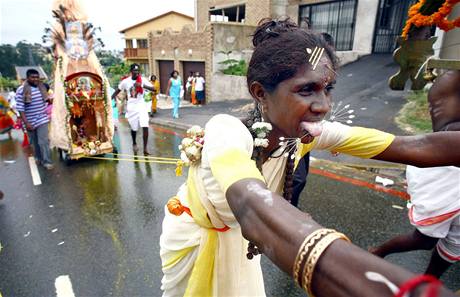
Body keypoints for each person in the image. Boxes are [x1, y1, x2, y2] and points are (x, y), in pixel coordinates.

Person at [159, 19, 460, 296]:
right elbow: (252, 205)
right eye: (307, 90)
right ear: (260, 93)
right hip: (194, 240)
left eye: (328, 89)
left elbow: (415, 146)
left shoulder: (302, 136)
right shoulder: (226, 132)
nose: (324, 105)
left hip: (236, 243)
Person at [370, 70, 460, 278]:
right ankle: (377, 252)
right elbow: (444, 126)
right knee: (425, 240)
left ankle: (429, 282)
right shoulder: (452, 80)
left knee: (455, 244)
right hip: (447, 180)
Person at [111, 64, 156, 155]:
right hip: (132, 107)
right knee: (134, 128)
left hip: (141, 105)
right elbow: (118, 90)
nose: (136, 73)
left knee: (145, 125)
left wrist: (142, 85)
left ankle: (145, 149)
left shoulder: (142, 80)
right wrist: (110, 98)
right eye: (134, 71)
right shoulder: (126, 82)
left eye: (138, 71)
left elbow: (154, 89)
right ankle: (134, 142)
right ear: (131, 72)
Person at [16, 69, 54, 170]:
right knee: (35, 142)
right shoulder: (21, 90)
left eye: (37, 77)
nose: (35, 79)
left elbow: (47, 100)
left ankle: (47, 161)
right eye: (33, 77)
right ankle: (38, 157)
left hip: (42, 119)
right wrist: (26, 123)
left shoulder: (42, 87)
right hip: (29, 121)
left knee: (43, 141)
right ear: (27, 78)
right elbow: (20, 109)